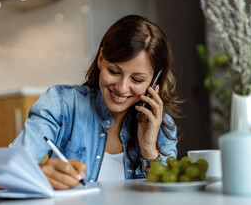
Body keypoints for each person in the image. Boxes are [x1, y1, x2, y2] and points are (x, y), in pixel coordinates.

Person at [10, 14, 181, 190]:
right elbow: (9, 174)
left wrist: (149, 151)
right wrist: (39, 174)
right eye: (114, 71)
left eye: (137, 80)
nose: (122, 88)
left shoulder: (161, 126)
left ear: (154, 82)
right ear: (101, 59)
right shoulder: (61, 105)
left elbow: (167, 201)